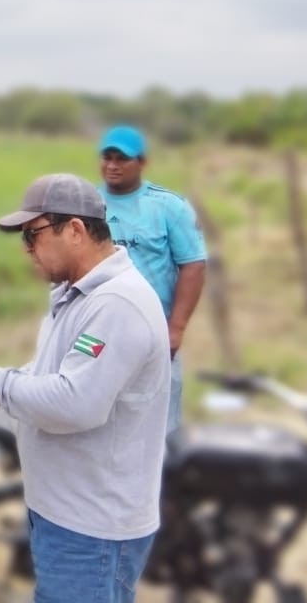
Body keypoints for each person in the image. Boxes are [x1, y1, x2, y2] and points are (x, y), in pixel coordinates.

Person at [0, 173, 169, 603]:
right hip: (68, 518)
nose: (26, 249)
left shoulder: (116, 305)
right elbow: (53, 373)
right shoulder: (79, 295)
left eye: (33, 235)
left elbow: (76, 403)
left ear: (76, 230)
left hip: (92, 530)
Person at [98, 124, 207, 432]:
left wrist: (176, 328)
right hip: (100, 330)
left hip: (154, 332)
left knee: (159, 426)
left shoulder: (168, 206)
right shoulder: (87, 204)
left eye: (122, 158)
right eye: (107, 157)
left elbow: (193, 265)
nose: (112, 165)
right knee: (101, 419)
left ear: (142, 162)